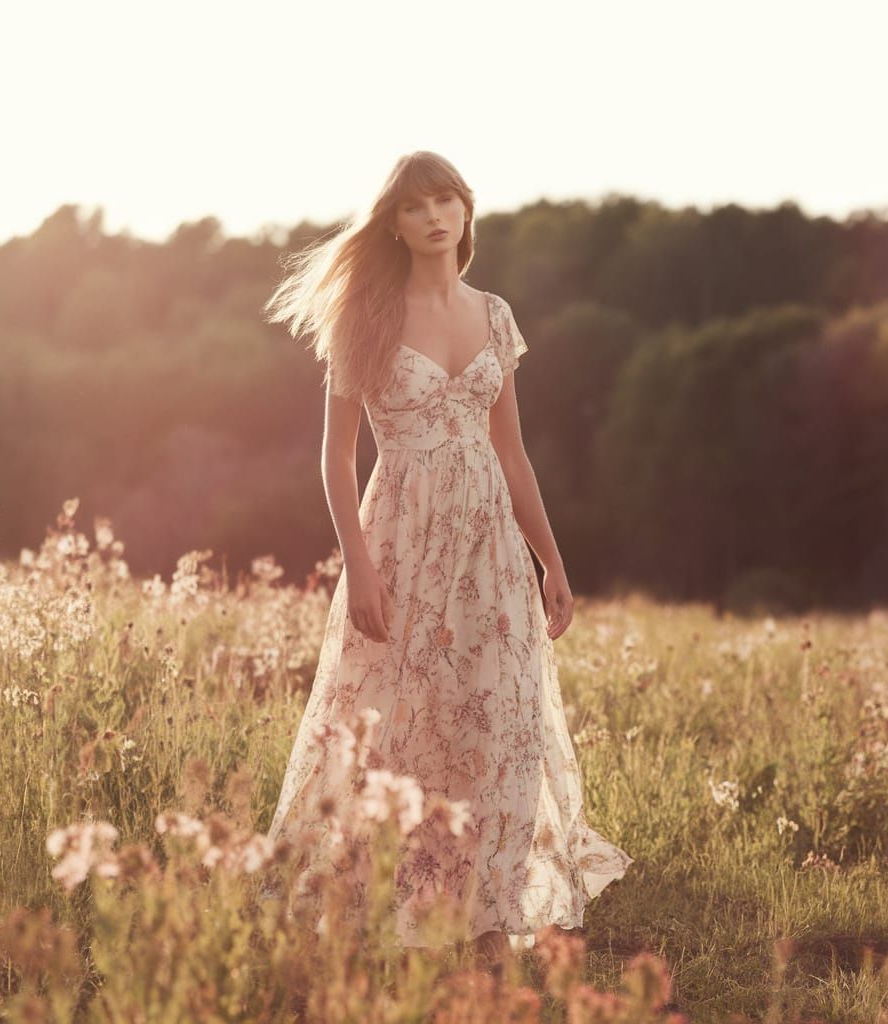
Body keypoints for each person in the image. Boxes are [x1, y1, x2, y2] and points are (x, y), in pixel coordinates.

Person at [261, 150, 632, 968]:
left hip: (490, 548)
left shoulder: (495, 315)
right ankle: (379, 912)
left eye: (447, 201)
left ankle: (490, 920)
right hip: (402, 541)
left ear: (466, 213)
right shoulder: (369, 313)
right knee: (403, 730)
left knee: (499, 726)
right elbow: (334, 459)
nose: (434, 217)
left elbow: (513, 451)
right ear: (392, 223)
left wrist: (551, 561)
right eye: (415, 205)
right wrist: (358, 566)